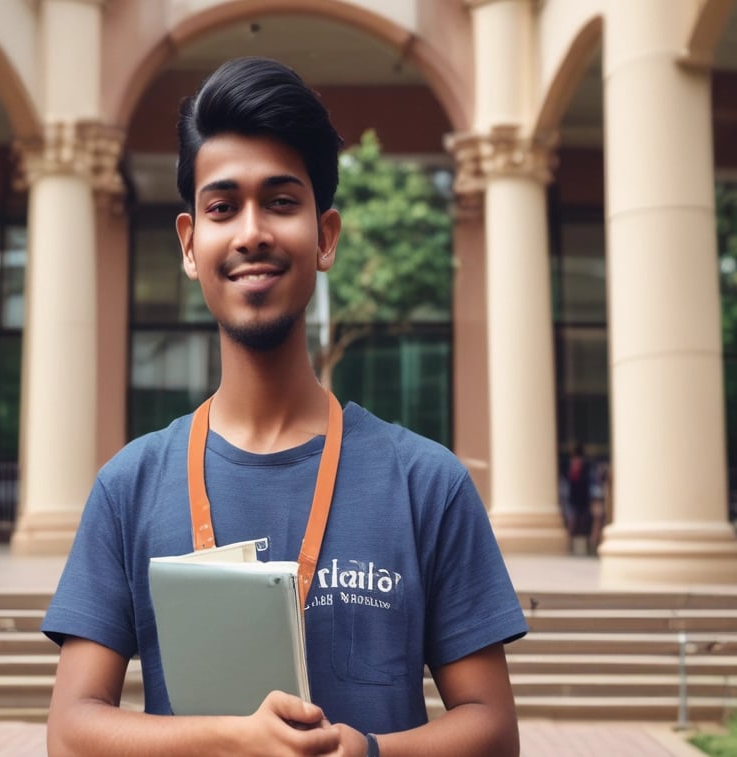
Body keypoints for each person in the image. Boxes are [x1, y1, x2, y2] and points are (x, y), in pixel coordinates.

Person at [42, 56, 528, 757]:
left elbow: (493, 729)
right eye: (222, 206)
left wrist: (365, 752)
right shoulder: (130, 485)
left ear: (325, 236)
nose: (250, 233)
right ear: (189, 243)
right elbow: (69, 731)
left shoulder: (426, 482)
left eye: (280, 201)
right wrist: (236, 739)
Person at [566, 443, 592, 554]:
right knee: (581, 523)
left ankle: (570, 545)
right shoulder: (585, 465)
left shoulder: (571, 464)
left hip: (574, 498)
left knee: (573, 522)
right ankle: (582, 547)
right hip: (582, 498)